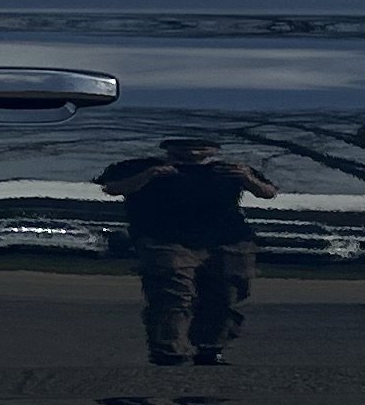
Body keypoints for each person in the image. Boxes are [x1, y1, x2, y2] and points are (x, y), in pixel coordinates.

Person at [98, 135, 278, 366]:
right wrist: (148, 175)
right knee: (172, 293)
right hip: (164, 237)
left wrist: (247, 179)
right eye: (185, 145)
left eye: (201, 145)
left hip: (227, 239)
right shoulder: (143, 166)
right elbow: (111, 188)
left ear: (214, 149)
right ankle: (168, 350)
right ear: (168, 146)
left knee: (225, 294)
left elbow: (268, 193)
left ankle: (210, 348)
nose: (193, 150)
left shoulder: (230, 169)